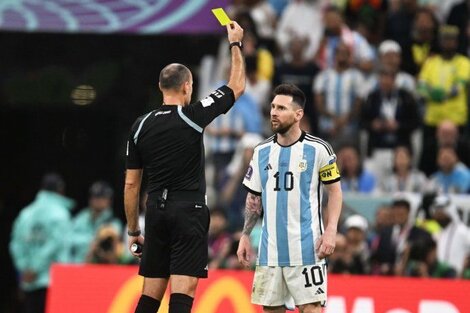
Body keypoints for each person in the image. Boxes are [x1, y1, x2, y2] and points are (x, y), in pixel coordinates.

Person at [124, 22, 245, 313]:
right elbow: (236, 86)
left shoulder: (140, 125)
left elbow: (131, 184)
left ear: (160, 87)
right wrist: (235, 44)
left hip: (154, 211)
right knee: (183, 293)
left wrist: (132, 229)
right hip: (187, 211)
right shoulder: (193, 115)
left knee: (150, 295)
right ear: (188, 86)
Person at [237, 84, 343, 313]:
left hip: (307, 249)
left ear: (298, 114)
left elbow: (335, 192)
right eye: (273, 106)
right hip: (269, 252)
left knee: (312, 309)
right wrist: (245, 235)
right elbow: (254, 197)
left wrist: (331, 230)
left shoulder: (319, 149)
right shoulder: (261, 151)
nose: (274, 112)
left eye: (282, 108)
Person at [10, 173, 74, 313]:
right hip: (53, 282)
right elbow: (55, 245)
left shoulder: (25, 214)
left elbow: (15, 245)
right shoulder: (60, 214)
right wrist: (35, 268)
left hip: (29, 282)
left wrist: (24, 270)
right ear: (60, 190)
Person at [69, 181, 122, 263]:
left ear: (109, 200)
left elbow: (117, 249)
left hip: (104, 267)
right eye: (96, 197)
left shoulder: (114, 222)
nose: (98, 201)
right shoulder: (80, 218)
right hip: (79, 265)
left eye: (103, 197)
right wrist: (92, 243)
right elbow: (69, 240)